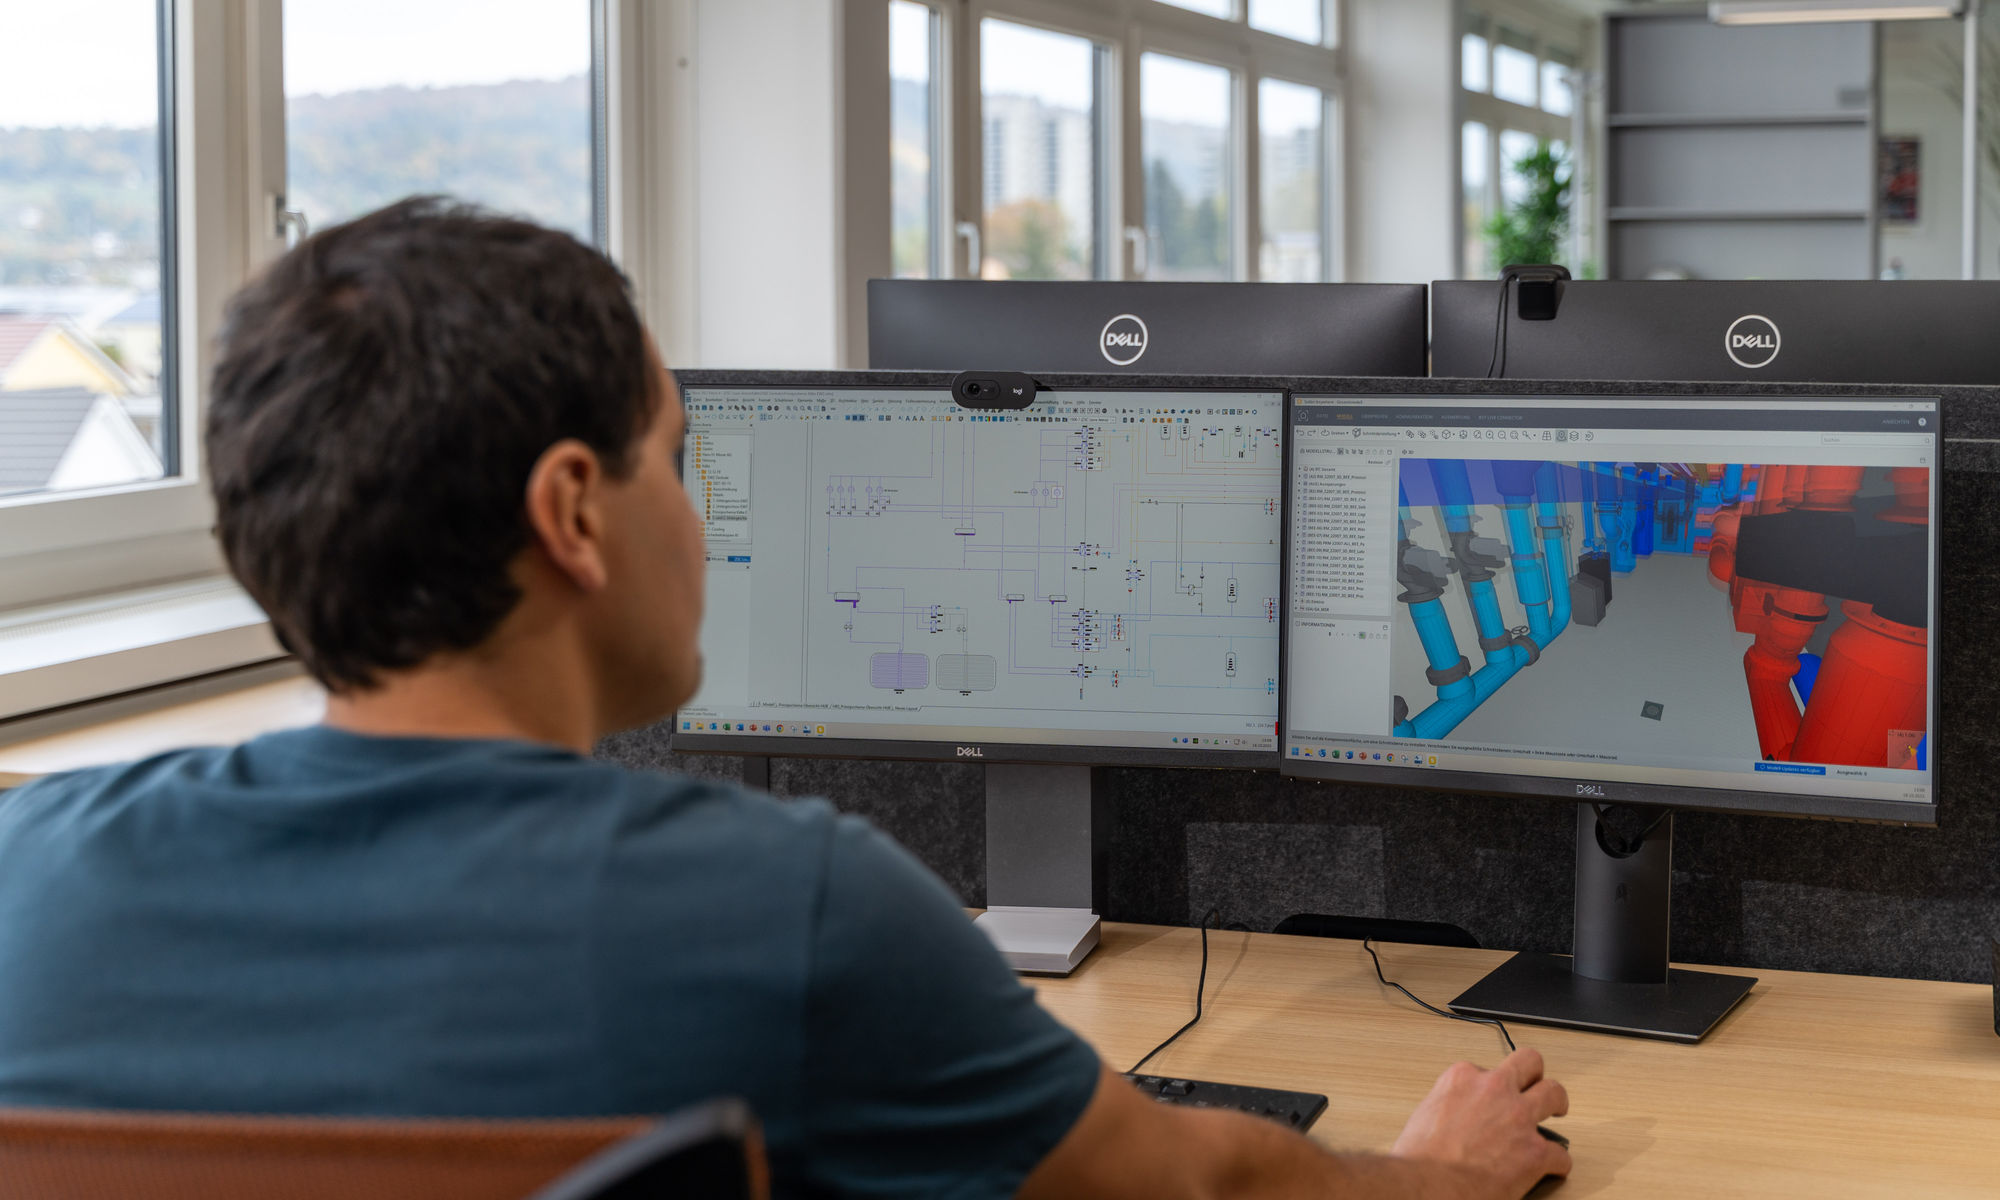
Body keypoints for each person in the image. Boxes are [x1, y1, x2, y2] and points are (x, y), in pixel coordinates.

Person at [0, 199, 1570, 1199]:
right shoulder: (789, 911)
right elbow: (1193, 1191)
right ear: (574, 513)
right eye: (681, 459)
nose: (707, 521)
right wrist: (1435, 1173)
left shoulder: (32, 874)